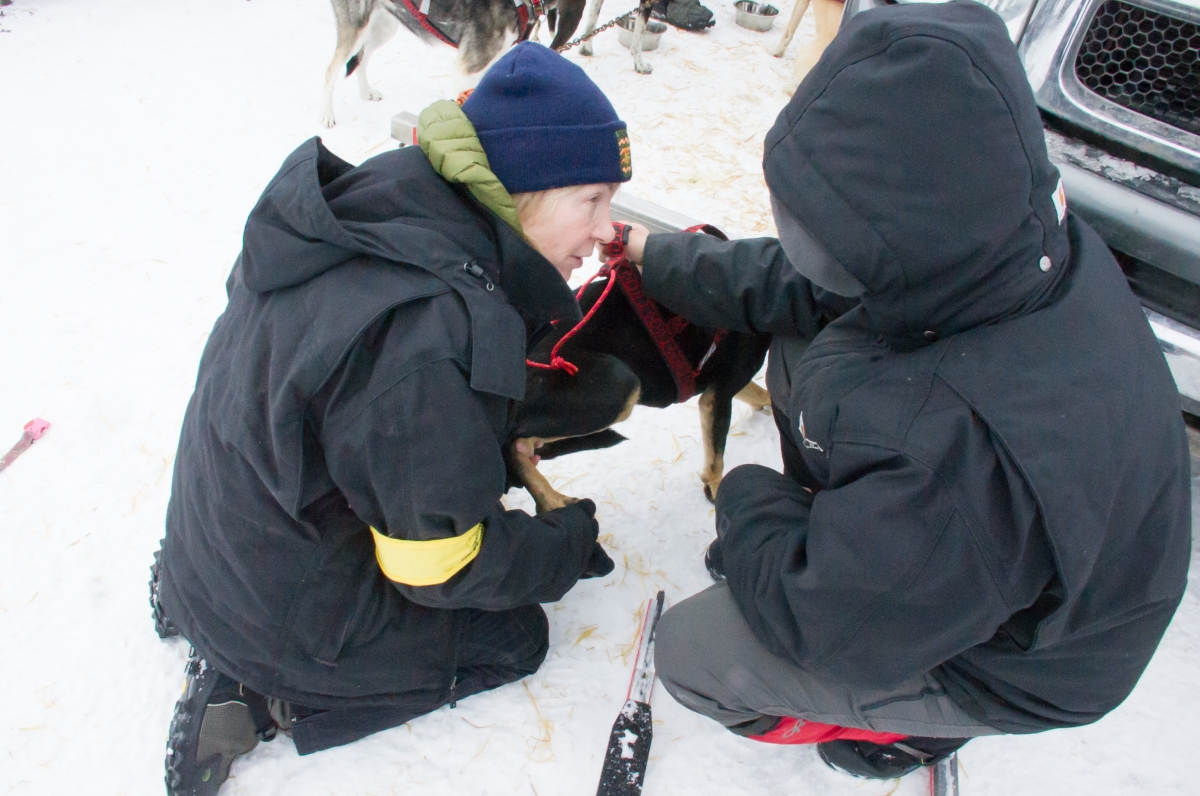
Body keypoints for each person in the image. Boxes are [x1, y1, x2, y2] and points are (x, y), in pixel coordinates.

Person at [620, 0, 1192, 780]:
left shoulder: (964, 461)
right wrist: (659, 258)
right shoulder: (998, 240)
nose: (802, 243)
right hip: (977, 541)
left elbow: (823, 620)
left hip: (1028, 662)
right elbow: (806, 282)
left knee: (695, 655)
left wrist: (749, 500)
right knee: (801, 337)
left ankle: (905, 731)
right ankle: (859, 541)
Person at [153, 42, 629, 796]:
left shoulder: (391, 203)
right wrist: (562, 547)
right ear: (520, 190)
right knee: (514, 636)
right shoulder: (431, 328)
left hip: (211, 540)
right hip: (272, 606)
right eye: (593, 200)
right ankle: (272, 692)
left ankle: (208, 610)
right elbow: (441, 567)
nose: (610, 230)